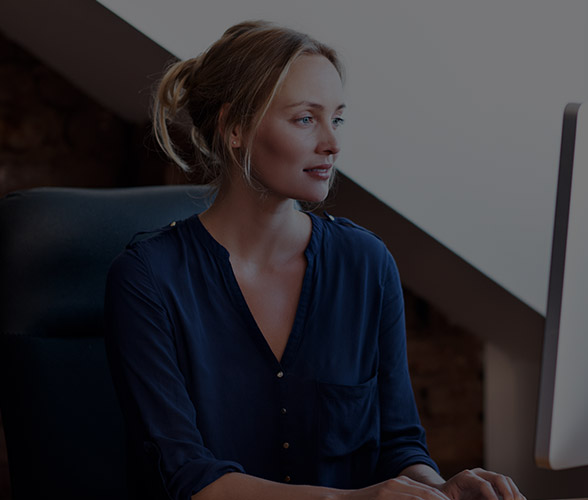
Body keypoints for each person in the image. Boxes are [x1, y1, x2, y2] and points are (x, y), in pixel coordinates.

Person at [104, 20, 524, 500]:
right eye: (306, 118)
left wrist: (440, 488)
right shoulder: (147, 280)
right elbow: (187, 478)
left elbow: (399, 443)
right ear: (234, 127)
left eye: (337, 118)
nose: (333, 143)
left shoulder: (367, 264)